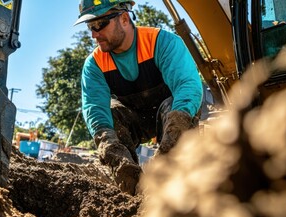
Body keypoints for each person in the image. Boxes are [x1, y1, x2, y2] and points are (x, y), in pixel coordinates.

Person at [74, 0, 203, 195]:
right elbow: (95, 108)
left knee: (175, 111)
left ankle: (181, 189)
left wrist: (174, 134)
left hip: (169, 115)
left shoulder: (163, 42)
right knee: (110, 118)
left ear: (124, 18)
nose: (94, 34)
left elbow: (187, 86)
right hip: (134, 118)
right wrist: (109, 145)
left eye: (100, 24)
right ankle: (131, 189)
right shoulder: (94, 64)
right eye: (90, 27)